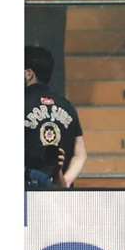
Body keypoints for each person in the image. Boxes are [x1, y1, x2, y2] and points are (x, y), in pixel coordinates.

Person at [25, 46, 87, 189]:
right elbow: (80, 154)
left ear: (29, 74)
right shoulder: (67, 105)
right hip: (58, 200)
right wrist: (64, 182)